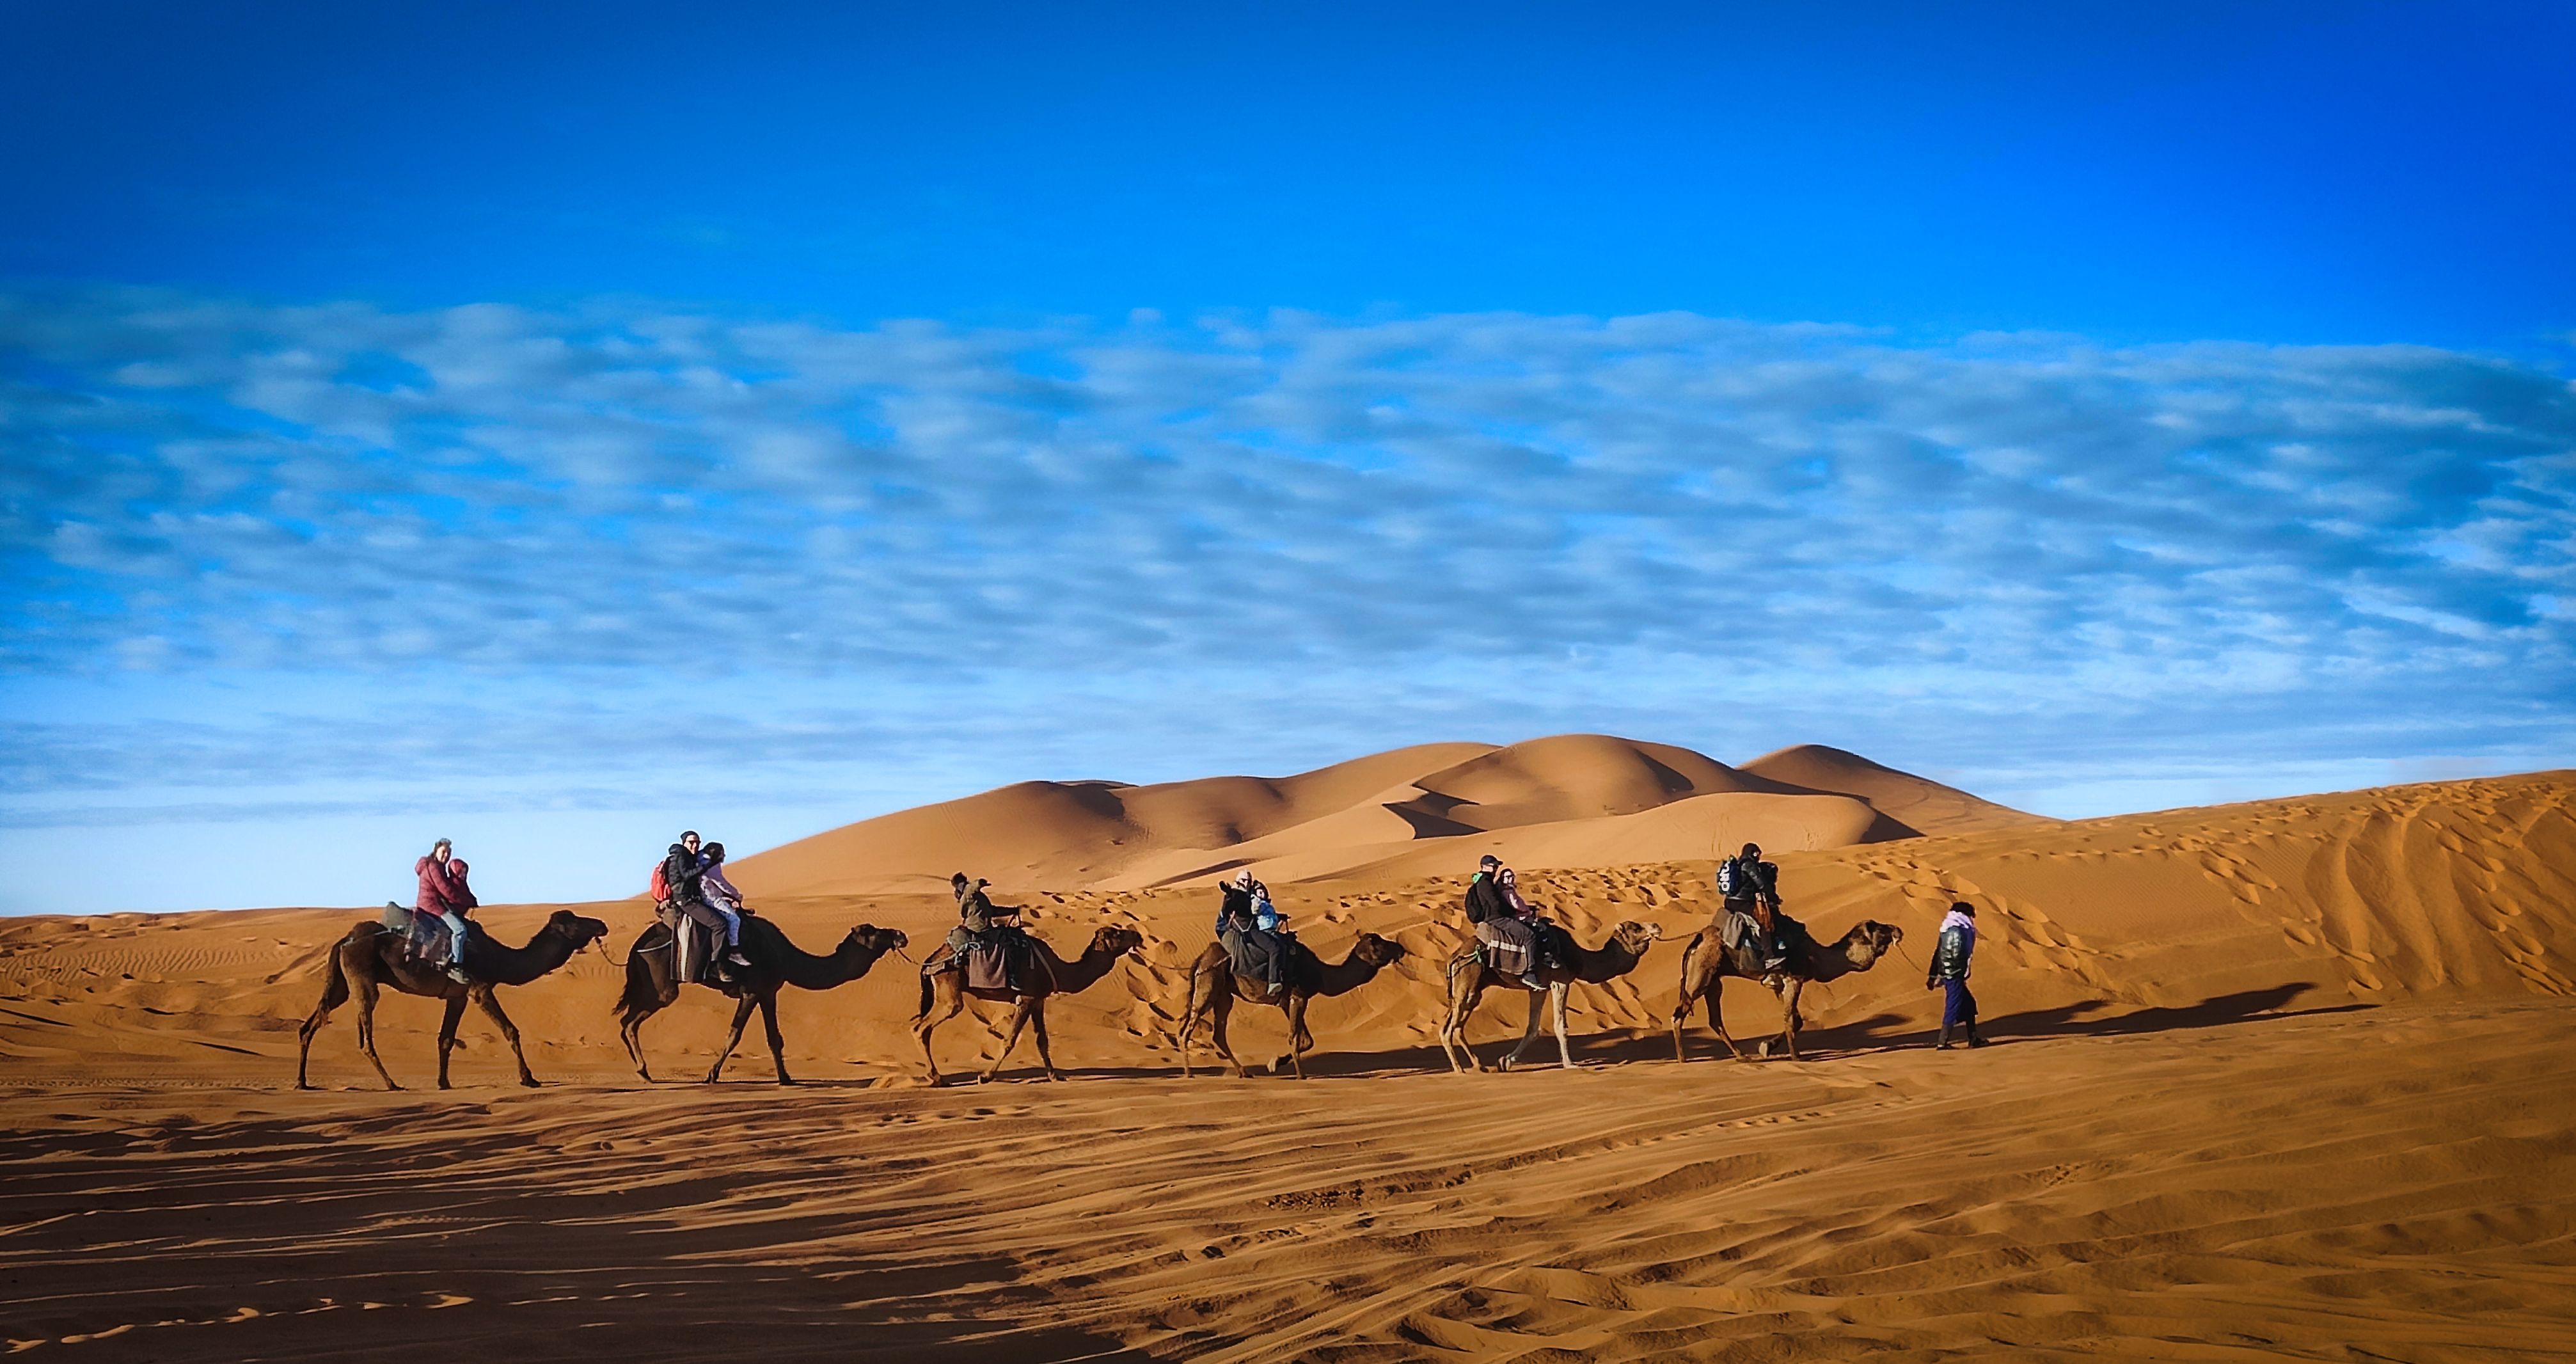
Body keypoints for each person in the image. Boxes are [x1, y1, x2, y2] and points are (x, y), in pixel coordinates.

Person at [660, 830, 734, 983]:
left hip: (692, 898)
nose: (695, 846)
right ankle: (716, 966)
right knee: (719, 925)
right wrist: (709, 864)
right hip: (686, 901)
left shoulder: (688, 856)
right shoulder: (681, 856)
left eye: (697, 843)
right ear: (684, 843)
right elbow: (687, 875)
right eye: (691, 842)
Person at [941, 873, 1023, 988]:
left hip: (983, 927)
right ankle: (1013, 978)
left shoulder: (977, 897)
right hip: (980, 930)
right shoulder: (968, 894)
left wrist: (1011, 911)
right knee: (1009, 944)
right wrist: (980, 883)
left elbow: (991, 911)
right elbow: (972, 888)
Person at [414, 838, 478, 983]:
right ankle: (455, 967)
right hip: (431, 906)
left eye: (449, 853)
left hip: (432, 905)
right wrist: (467, 901)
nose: (446, 856)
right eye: (443, 852)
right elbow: (446, 890)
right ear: (436, 850)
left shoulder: (438, 866)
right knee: (460, 930)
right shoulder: (434, 867)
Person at [1215, 869, 1289, 997]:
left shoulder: (1248, 895)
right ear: (1238, 881)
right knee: (1274, 948)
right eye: (1244, 881)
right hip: (1246, 931)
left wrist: (1278, 916)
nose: (1247, 883)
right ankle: (1273, 981)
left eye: (1249, 881)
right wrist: (1229, 893)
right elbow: (1232, 906)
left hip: (1249, 929)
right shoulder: (1238, 895)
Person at [1926, 901, 1987, 1050]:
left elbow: (1938, 952)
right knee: (1953, 1006)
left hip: (1951, 974)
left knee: (1969, 1005)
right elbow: (1959, 955)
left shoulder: (1947, 928)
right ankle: (1942, 1043)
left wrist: (1932, 976)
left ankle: (1973, 1039)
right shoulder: (1959, 930)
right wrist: (1962, 971)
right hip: (1955, 975)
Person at [1718, 841, 1788, 971]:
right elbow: (1761, 884)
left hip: (1730, 902)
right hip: (1742, 903)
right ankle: (1769, 957)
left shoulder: (1739, 865)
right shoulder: (1749, 865)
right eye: (1757, 854)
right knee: (1765, 920)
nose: (1758, 857)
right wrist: (1774, 898)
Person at [697, 842, 753, 971]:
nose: (724, 855)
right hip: (712, 899)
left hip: (704, 896)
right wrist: (736, 894)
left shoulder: (700, 858)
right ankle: (734, 951)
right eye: (722, 853)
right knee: (734, 920)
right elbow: (721, 883)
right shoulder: (711, 864)